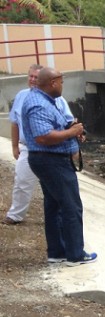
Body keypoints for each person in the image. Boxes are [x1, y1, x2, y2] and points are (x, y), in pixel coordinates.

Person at [21, 67, 97, 266]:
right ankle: (75, 254)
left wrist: (71, 128)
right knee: (71, 207)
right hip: (51, 161)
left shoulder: (47, 101)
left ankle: (57, 252)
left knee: (54, 206)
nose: (63, 85)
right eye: (61, 82)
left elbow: (52, 127)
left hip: (49, 160)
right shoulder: (37, 103)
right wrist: (71, 133)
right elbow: (43, 136)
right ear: (53, 82)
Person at [3, 64, 74, 226]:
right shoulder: (22, 96)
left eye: (37, 77)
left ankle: (61, 216)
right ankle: (15, 215)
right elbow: (15, 123)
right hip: (28, 148)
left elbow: (69, 122)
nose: (33, 80)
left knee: (55, 187)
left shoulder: (57, 99)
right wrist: (14, 147)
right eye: (31, 77)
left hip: (52, 149)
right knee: (22, 182)